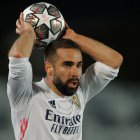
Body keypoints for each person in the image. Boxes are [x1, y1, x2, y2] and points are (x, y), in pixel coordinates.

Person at [7, 12, 123, 140]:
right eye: (67, 65)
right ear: (49, 68)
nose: (75, 72)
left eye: (78, 65)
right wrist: (29, 33)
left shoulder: (80, 91)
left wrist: (75, 37)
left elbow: (114, 61)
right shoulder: (25, 95)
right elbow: (18, 56)